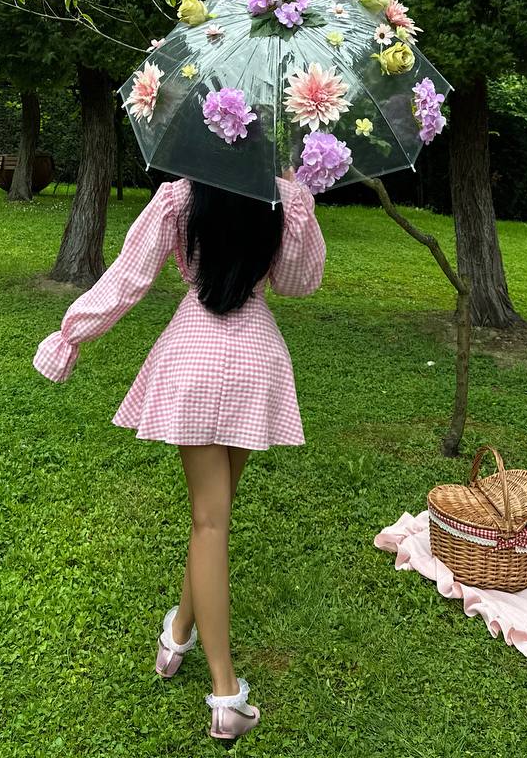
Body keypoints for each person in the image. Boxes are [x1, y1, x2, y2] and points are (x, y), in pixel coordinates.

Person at [33, 171, 326, 741]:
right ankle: (181, 636)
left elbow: (127, 279)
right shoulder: (282, 196)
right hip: (254, 361)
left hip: (192, 357)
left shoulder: (181, 195)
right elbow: (298, 282)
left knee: (208, 521)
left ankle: (221, 690)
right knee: (214, 519)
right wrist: (299, 205)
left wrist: (70, 336)